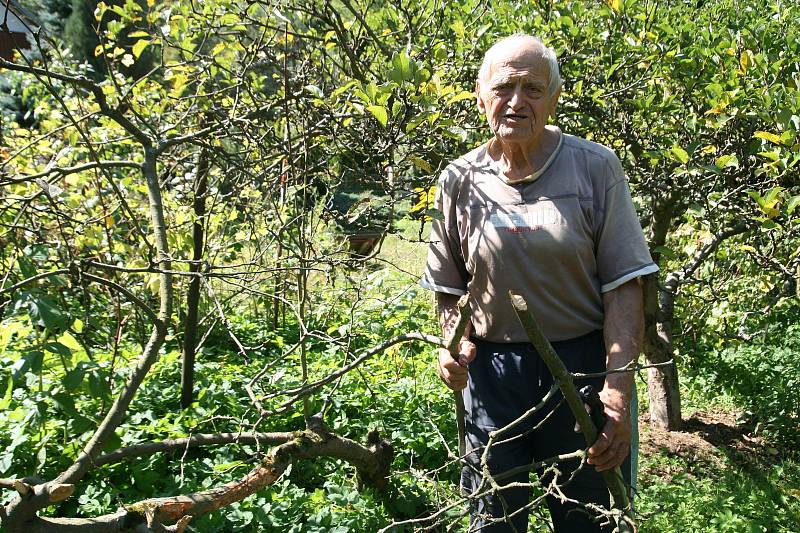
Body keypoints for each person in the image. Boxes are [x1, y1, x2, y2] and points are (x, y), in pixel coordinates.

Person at [420, 34, 658, 532]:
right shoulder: (459, 180)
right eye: (504, 86)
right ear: (481, 94)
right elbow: (448, 289)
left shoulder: (594, 167)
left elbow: (624, 286)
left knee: (590, 518)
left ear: (553, 98)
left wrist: (616, 390)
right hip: (493, 376)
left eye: (533, 88)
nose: (516, 101)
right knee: (495, 517)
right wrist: (452, 344)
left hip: (582, 370)